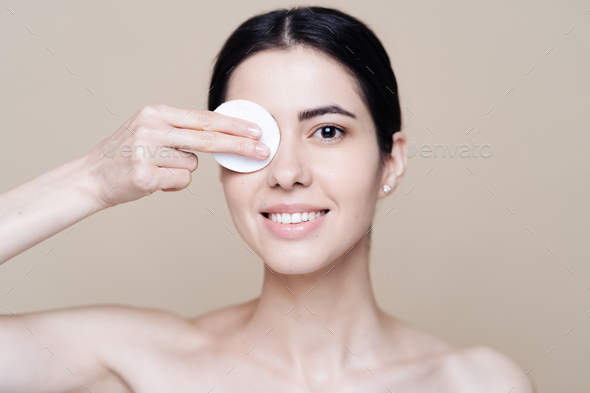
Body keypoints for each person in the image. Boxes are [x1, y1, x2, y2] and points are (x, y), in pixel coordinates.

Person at [0, 6, 536, 392]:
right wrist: (91, 180)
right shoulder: (142, 364)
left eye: (327, 131)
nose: (286, 173)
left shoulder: (477, 383)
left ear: (389, 162)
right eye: (252, 140)